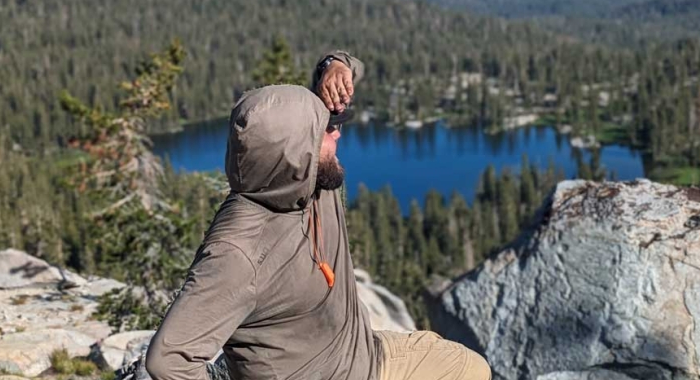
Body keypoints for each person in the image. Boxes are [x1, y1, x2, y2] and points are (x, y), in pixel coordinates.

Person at [145, 52, 492, 380]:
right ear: (297, 153)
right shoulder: (238, 252)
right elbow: (167, 359)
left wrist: (335, 64)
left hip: (366, 356)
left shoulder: (310, 181)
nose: (338, 132)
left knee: (473, 369)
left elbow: (343, 72)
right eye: (327, 130)